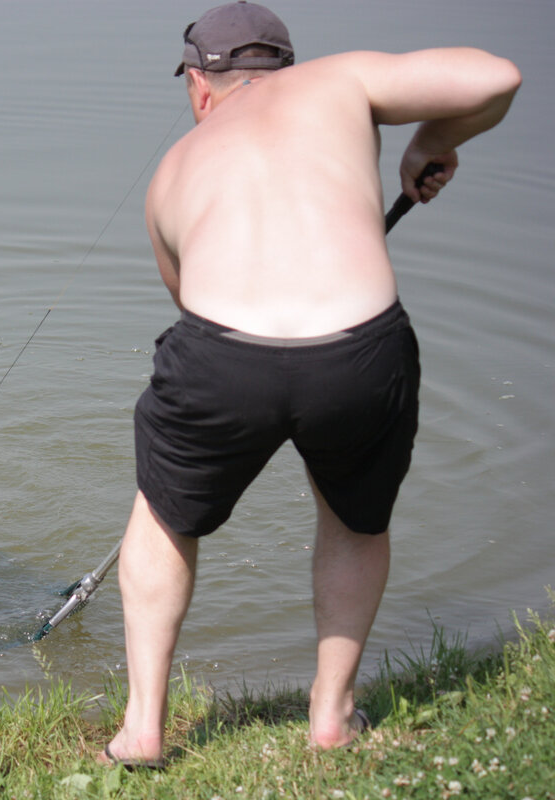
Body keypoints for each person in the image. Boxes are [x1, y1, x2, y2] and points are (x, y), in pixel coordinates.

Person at [100, 1, 521, 768]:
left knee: (163, 517)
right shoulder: (346, 81)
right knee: (354, 522)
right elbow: (498, 76)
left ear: (199, 85)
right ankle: (330, 719)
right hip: (358, 352)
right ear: (284, 67)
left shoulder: (171, 173)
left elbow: (191, 305)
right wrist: (433, 140)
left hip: (223, 356)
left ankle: (142, 733)